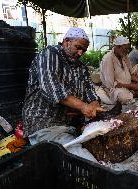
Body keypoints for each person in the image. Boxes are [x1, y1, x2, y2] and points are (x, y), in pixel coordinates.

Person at [22, 27, 105, 162]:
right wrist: (83, 107)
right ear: (66, 41)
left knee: (105, 139)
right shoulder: (50, 54)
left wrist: (94, 106)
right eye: (78, 47)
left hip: (71, 124)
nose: (80, 53)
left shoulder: (81, 67)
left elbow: (91, 93)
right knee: (83, 160)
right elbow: (51, 89)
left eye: (83, 50)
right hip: (46, 124)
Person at [98, 36, 138, 105]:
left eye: (128, 49)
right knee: (123, 96)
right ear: (118, 47)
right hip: (113, 89)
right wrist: (131, 86)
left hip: (127, 86)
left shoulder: (124, 56)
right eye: (125, 49)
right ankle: (133, 94)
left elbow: (131, 74)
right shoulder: (108, 59)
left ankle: (132, 92)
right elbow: (110, 84)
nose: (127, 51)